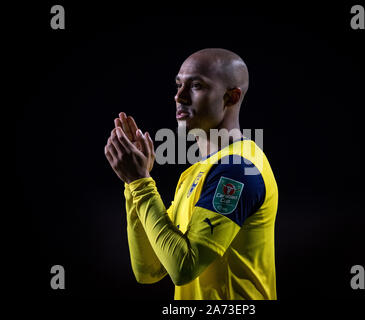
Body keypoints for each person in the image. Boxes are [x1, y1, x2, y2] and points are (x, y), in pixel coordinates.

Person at [104, 48, 279, 300]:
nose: (179, 96)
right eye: (178, 85)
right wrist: (132, 184)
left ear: (231, 97)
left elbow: (183, 267)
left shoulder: (238, 170)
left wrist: (140, 182)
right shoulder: (196, 172)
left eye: (196, 85)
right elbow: (149, 270)